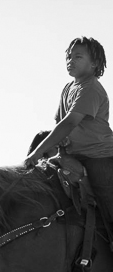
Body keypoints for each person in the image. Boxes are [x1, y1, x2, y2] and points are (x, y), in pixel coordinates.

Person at [24, 36, 113, 227]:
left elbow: (70, 121)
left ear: (94, 64)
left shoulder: (91, 89)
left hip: (98, 156)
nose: (70, 61)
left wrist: (37, 152)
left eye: (78, 57)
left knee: (107, 200)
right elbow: (60, 121)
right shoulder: (68, 88)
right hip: (74, 152)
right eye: (69, 57)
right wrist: (61, 141)